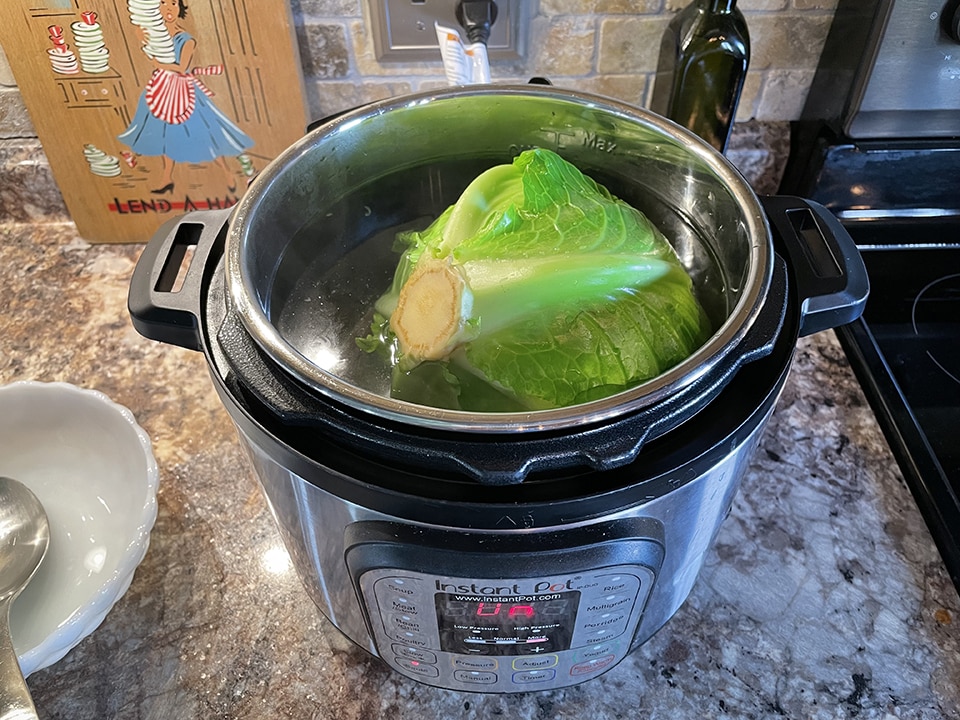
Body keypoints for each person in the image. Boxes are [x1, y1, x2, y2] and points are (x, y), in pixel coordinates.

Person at [118, 0, 254, 194]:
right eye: (163, 3)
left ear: (180, 7)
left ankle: (227, 173)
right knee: (163, 135)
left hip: (183, 93)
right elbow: (151, 52)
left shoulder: (186, 39)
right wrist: (144, 41)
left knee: (204, 134)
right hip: (161, 90)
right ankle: (166, 177)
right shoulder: (157, 35)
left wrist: (159, 63)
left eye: (173, 3)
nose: (168, 8)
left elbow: (182, 68)